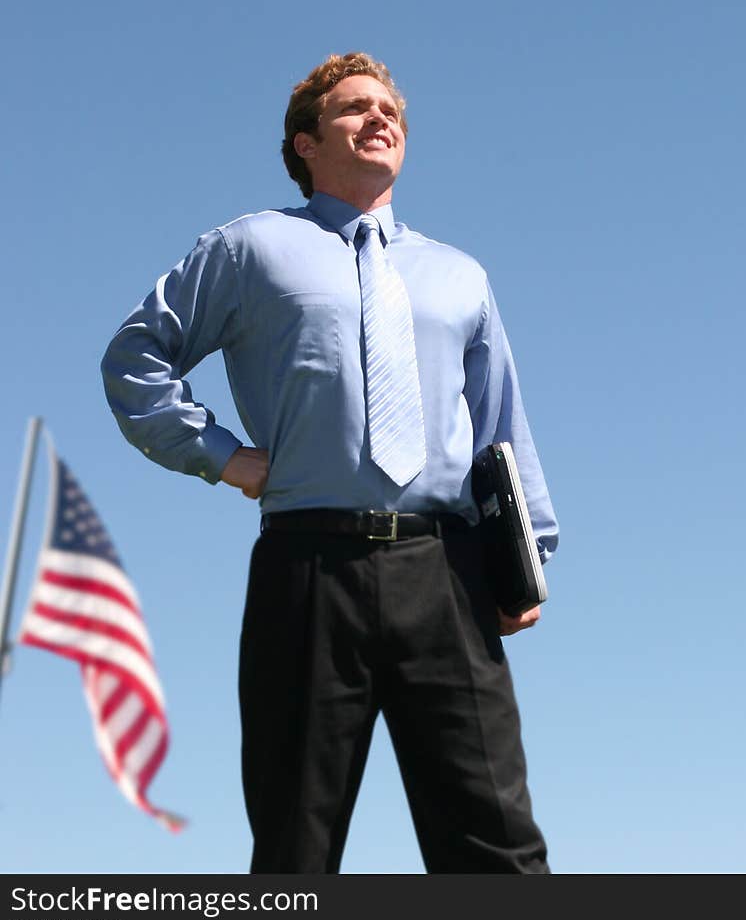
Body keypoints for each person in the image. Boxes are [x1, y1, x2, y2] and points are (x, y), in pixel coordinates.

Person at [101, 52, 559, 874]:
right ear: (306, 143)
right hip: (306, 571)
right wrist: (223, 457)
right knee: (294, 854)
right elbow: (136, 358)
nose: (381, 118)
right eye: (355, 108)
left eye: (392, 110)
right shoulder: (250, 249)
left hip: (448, 575)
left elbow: (501, 428)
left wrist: (530, 559)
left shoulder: (459, 275)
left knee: (498, 848)